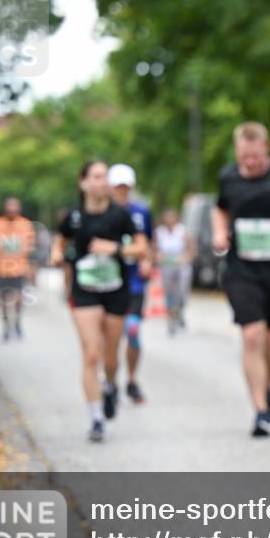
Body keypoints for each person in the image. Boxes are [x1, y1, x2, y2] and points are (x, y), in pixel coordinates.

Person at [212, 122, 270, 437]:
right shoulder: (228, 177)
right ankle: (261, 410)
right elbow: (220, 209)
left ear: (267, 147)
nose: (248, 163)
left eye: (255, 157)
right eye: (243, 157)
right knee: (252, 336)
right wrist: (220, 231)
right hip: (241, 270)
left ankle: (265, 384)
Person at [50, 160, 148, 442]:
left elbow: (142, 248)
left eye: (104, 177)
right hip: (84, 290)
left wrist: (115, 248)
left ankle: (111, 385)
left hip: (115, 290)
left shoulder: (121, 215)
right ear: (83, 182)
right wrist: (57, 254)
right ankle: (95, 418)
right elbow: (61, 240)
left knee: (110, 357)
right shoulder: (74, 216)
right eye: (96, 176)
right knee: (91, 352)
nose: (102, 182)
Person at [108, 163, 154, 405]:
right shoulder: (103, 213)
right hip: (109, 282)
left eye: (125, 187)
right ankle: (111, 381)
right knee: (112, 337)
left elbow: (149, 244)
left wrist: (147, 260)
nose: (122, 192)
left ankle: (132, 380)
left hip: (135, 283)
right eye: (118, 187)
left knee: (133, 332)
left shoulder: (142, 212)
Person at [0, 197, 36, 342]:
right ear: (4, 209)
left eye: (15, 208)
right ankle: (6, 327)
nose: (12, 211)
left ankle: (17, 321)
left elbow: (30, 246)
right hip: (1, 269)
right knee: (3, 300)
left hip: (19, 269)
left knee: (19, 297)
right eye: (9, 208)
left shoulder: (25, 224)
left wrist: (30, 265)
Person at [154, 208, 195, 335]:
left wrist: (186, 258)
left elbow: (191, 248)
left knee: (182, 292)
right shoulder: (159, 232)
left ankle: (180, 312)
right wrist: (157, 256)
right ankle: (171, 318)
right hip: (167, 266)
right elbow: (154, 248)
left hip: (181, 265)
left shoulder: (182, 231)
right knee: (169, 294)